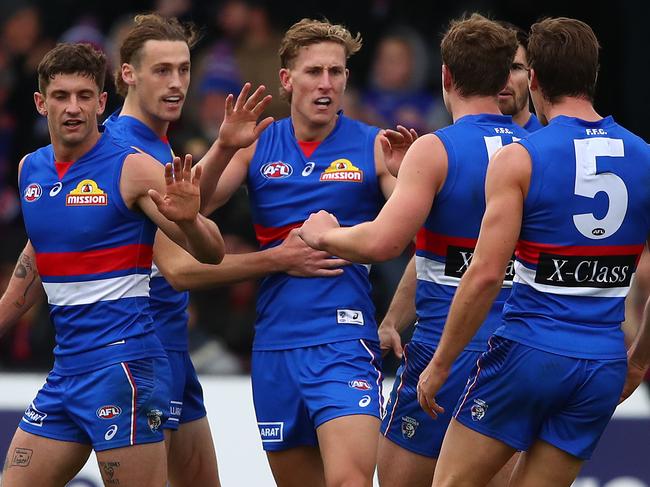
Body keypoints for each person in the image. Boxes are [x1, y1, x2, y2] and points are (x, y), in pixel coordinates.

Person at [0, 13, 341, 487]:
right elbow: (175, 264)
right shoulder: (111, 148)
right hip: (133, 346)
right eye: (163, 70)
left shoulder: (150, 152)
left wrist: (221, 148)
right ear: (126, 77)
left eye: (184, 68)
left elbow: (192, 214)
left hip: (155, 350)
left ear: (99, 100)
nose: (178, 82)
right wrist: (278, 259)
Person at [414, 17, 650, 487]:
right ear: (594, 75)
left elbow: (483, 275)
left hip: (528, 355)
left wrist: (439, 365)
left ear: (534, 78)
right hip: (602, 362)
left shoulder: (521, 157)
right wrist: (638, 361)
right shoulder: (644, 156)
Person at [297, 14, 523, 487]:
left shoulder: (438, 148)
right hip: (514, 350)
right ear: (505, 79)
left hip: (445, 348)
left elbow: (384, 242)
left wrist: (322, 235)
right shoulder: (535, 149)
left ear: (444, 75)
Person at [196, 18, 413, 487]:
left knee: (349, 481)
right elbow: (192, 207)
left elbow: (415, 229)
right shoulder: (256, 144)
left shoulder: (373, 145)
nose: (326, 83)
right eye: (314, 71)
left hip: (344, 342)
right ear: (287, 79)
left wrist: (410, 182)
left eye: (336, 72)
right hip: (275, 346)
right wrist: (222, 145)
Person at [1, 42, 223, 487]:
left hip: (125, 369)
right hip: (66, 371)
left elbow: (210, 251)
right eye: (61, 96)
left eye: (85, 96)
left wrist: (190, 220)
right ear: (41, 103)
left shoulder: (132, 168)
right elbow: (39, 254)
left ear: (103, 102)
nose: (73, 108)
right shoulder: (31, 169)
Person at [496, 21, 543, 132]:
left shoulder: (550, 142)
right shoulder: (456, 141)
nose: (505, 78)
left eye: (515, 67)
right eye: (495, 68)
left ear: (531, 75)